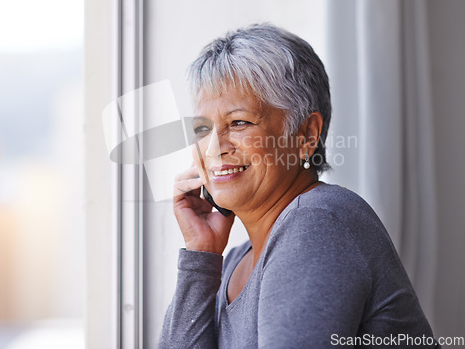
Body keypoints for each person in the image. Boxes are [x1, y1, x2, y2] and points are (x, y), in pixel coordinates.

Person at [157, 24, 439, 348]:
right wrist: (200, 252)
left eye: (239, 122)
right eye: (203, 128)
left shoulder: (318, 223)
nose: (213, 147)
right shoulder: (236, 259)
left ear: (306, 135)